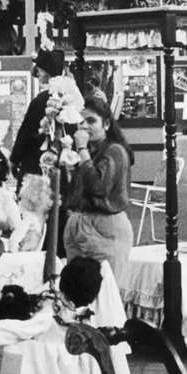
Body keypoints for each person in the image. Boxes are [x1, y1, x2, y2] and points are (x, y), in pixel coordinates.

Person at [62, 95, 135, 284]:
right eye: (81, 121)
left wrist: (82, 150)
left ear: (107, 124)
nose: (84, 126)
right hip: (80, 224)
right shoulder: (90, 152)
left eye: (91, 121)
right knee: (79, 291)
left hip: (106, 227)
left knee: (106, 291)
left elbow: (98, 186)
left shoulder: (115, 151)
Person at [9, 49, 64, 181]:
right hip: (60, 159)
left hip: (36, 161)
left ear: (46, 71)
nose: (37, 73)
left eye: (39, 69)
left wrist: (14, 159)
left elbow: (25, 132)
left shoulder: (41, 100)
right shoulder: (70, 96)